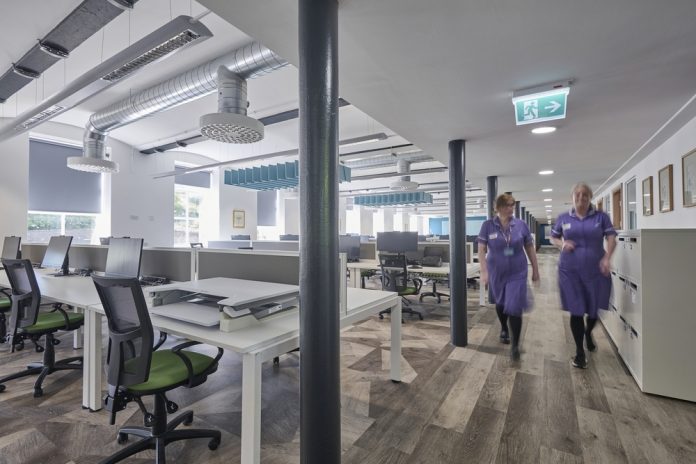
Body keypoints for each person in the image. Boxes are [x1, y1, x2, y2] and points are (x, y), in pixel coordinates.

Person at [550, 182, 617, 369]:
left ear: (590, 197)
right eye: (577, 194)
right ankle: (580, 353)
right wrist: (562, 244)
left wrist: (607, 257)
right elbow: (554, 237)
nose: (581, 197)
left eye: (585, 194)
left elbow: (611, 237)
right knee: (577, 310)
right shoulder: (564, 218)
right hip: (569, 271)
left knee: (594, 310)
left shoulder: (601, 217)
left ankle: (588, 332)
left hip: (596, 270)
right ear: (572, 197)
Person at [478, 193, 540, 360]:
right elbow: (481, 249)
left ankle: (515, 345)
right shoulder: (487, 225)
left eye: (512, 205)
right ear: (498, 208)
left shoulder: (521, 225)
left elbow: (529, 247)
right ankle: (504, 327)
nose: (511, 208)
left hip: (517, 271)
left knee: (514, 306)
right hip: (496, 271)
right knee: (501, 303)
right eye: (507, 205)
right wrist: (484, 271)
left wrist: (535, 269)